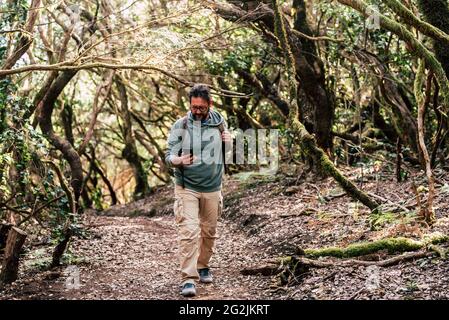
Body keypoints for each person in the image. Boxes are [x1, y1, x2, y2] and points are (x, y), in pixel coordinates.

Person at [165, 84, 232, 297]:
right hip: (187, 188)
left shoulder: (220, 123)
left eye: (201, 107)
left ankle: (203, 266)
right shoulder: (181, 125)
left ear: (209, 105)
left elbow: (227, 153)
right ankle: (188, 279)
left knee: (209, 232)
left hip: (213, 186)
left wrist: (229, 143)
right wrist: (178, 160)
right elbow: (168, 156)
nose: (196, 111)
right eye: (194, 107)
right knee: (189, 232)